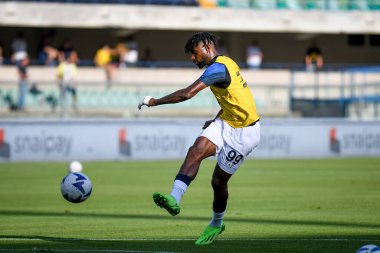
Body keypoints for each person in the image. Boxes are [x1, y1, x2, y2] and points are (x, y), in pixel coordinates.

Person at [138, 32, 261, 245]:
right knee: (196, 149)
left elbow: (187, 94)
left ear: (206, 47)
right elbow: (233, 99)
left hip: (245, 133)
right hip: (225, 122)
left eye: (194, 54)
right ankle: (174, 198)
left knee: (218, 181)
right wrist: (215, 120)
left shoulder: (218, 68)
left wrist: (155, 102)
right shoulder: (225, 63)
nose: (193, 59)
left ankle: (217, 222)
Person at [57, 51, 78, 117]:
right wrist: (59, 82)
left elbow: (74, 75)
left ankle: (74, 103)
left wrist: (74, 82)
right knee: (63, 94)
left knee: (74, 91)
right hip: (64, 82)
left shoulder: (73, 65)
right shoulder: (62, 65)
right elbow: (59, 74)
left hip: (71, 82)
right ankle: (63, 106)